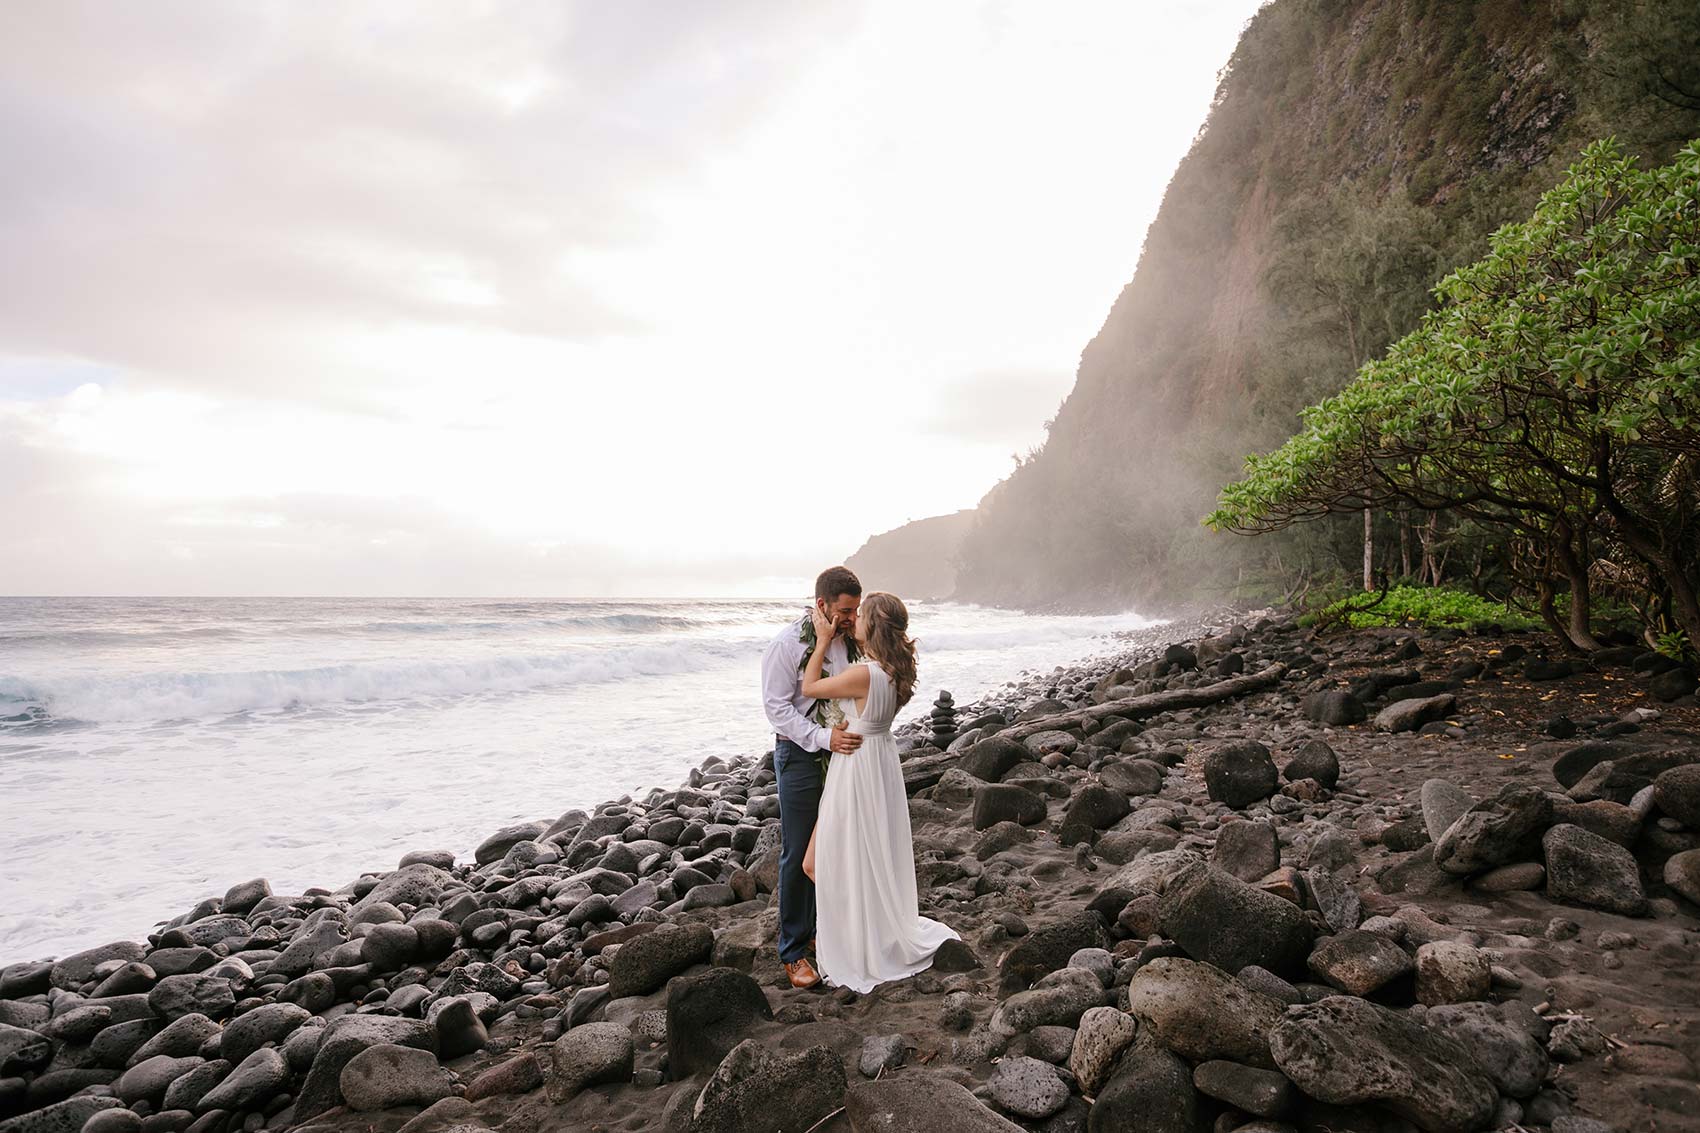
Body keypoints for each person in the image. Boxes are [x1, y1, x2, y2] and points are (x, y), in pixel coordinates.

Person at [799, 590, 960, 993]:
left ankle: (855, 942)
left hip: (856, 766)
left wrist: (821, 642)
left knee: (820, 862)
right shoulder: (895, 671)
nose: (855, 622)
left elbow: (809, 687)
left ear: (872, 625)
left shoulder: (865, 674)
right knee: (863, 853)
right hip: (879, 760)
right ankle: (863, 930)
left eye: (861, 617)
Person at [759, 566, 865, 989]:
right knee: (799, 852)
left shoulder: (849, 642)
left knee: (837, 843)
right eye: (845, 611)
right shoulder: (786, 645)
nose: (852, 618)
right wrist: (823, 738)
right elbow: (776, 708)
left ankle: (829, 932)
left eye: (856, 610)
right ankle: (793, 950)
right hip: (800, 754)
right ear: (821, 605)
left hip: (843, 753)